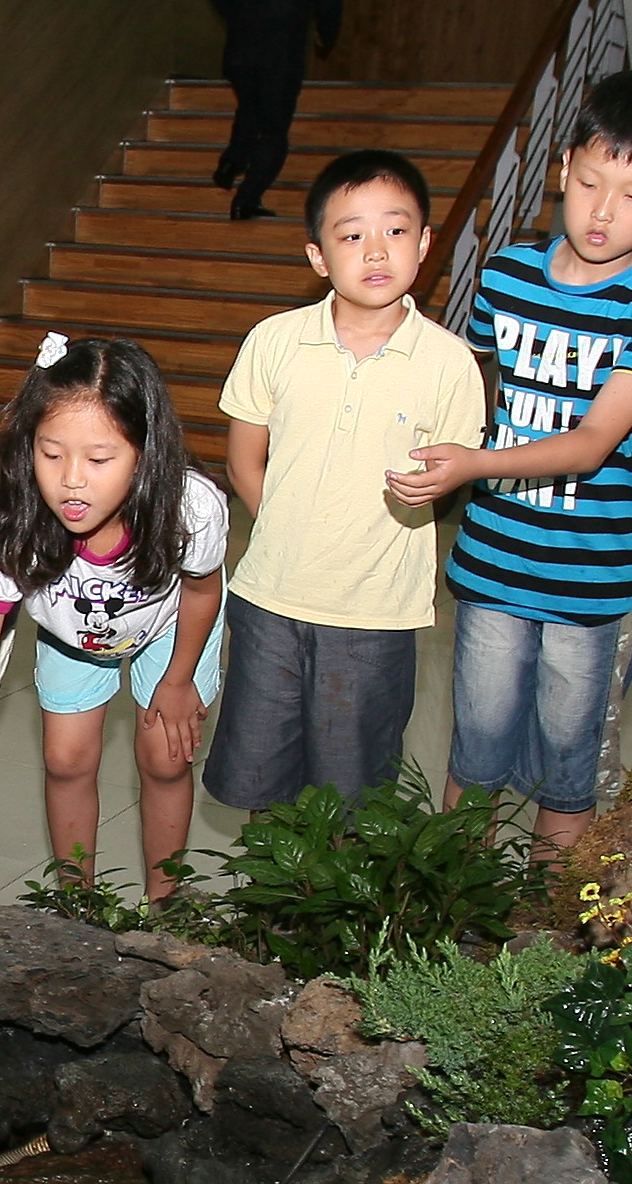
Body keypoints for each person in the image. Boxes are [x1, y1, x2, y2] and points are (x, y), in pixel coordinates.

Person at [386, 67, 632, 851]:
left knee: (570, 765)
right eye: (592, 182)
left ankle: (548, 932)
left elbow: (597, 442)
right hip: (496, 558)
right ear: (564, 167)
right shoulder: (504, 276)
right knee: (476, 747)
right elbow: (475, 392)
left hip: (590, 578)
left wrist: (471, 466)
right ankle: (455, 919)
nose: (604, 211)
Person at [0, 334, 228, 900]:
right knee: (66, 760)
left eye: (99, 459)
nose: (72, 479)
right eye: (51, 454)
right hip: (71, 638)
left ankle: (167, 901)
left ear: (146, 454)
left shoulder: (189, 507)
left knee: (166, 759)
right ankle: (78, 901)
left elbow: (201, 593)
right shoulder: (10, 529)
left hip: (169, 631)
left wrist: (177, 680)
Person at [207, 149, 485, 813]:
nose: (376, 250)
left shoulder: (449, 364)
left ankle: (339, 918)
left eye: (395, 230)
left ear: (423, 243)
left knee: (353, 796)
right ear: (318, 256)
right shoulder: (274, 341)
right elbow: (245, 461)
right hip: (271, 598)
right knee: (261, 783)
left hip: (375, 612)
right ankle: (271, 913)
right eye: (351, 234)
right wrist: (290, 527)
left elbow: (447, 478)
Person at [203, 0, 341, 223]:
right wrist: (326, 35)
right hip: (282, 51)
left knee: (249, 107)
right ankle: (246, 198)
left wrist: (238, 21)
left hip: (241, 48)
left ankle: (232, 161)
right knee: (274, 127)